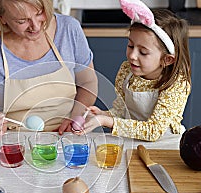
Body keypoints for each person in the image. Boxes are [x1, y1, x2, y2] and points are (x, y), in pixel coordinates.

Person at [0, 0, 97, 138]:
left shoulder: (69, 29)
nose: (36, 26)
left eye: (40, 12)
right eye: (22, 21)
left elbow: (88, 83)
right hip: (10, 142)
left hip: (68, 136)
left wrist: (75, 117)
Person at [82, 2, 191, 142]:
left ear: (167, 60)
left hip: (165, 146)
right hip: (130, 142)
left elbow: (153, 131)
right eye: (130, 45)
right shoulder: (126, 70)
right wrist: (103, 114)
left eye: (143, 52)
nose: (132, 55)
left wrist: (105, 121)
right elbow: (121, 111)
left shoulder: (177, 83)